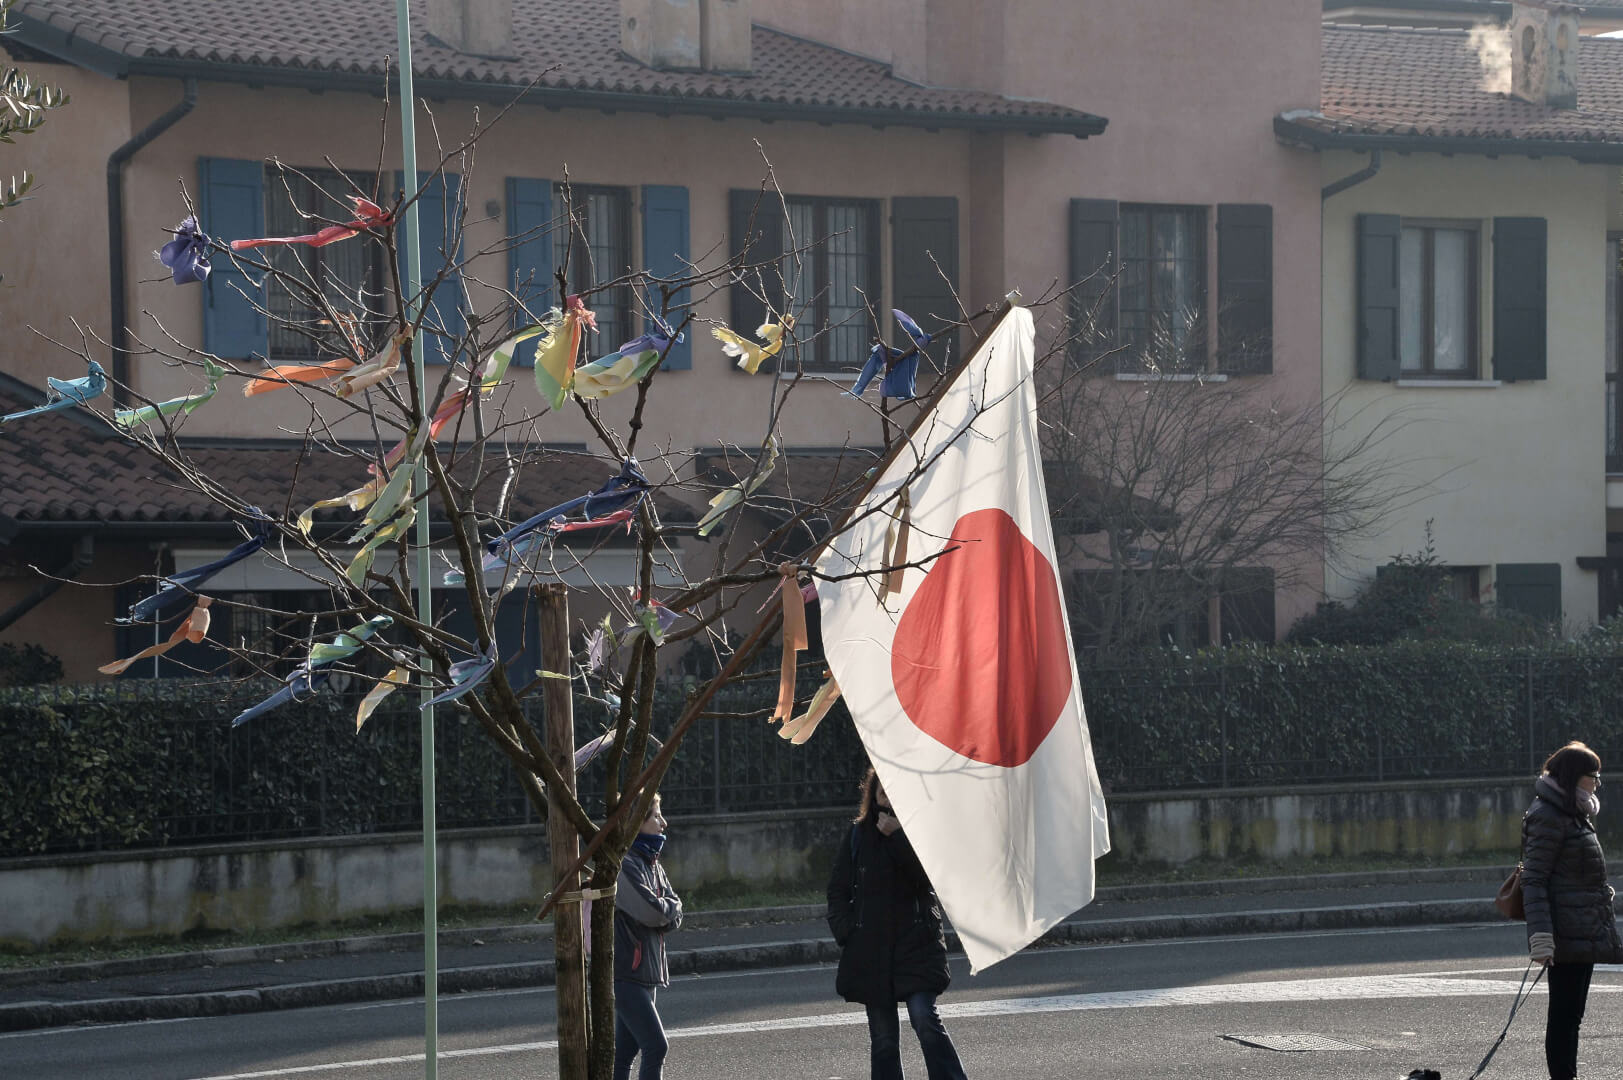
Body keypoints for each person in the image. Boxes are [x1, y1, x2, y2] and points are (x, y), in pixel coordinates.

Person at [827, 768, 969, 1080]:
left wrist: (898, 836)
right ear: (873, 796)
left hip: (916, 945)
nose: (889, 800)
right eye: (883, 794)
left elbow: (930, 879)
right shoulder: (859, 835)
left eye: (895, 793)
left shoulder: (920, 828)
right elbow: (837, 890)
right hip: (872, 949)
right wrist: (848, 931)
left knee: (924, 1018)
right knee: (884, 1039)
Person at [1520, 741, 1621, 1080]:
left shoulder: (1571, 811)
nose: (1597, 783)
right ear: (1575, 776)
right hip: (1565, 930)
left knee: (1571, 1016)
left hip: (1584, 926)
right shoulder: (1549, 815)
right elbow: (1534, 879)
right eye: (1593, 776)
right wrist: (1541, 937)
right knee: (1564, 1016)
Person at [613, 794, 682, 1080]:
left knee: (625, 1053)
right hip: (627, 973)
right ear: (635, 822)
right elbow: (653, 912)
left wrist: (668, 909)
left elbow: (675, 913)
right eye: (656, 816)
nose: (663, 823)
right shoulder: (625, 865)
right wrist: (668, 909)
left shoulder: (651, 863)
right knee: (656, 1046)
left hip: (645, 972)